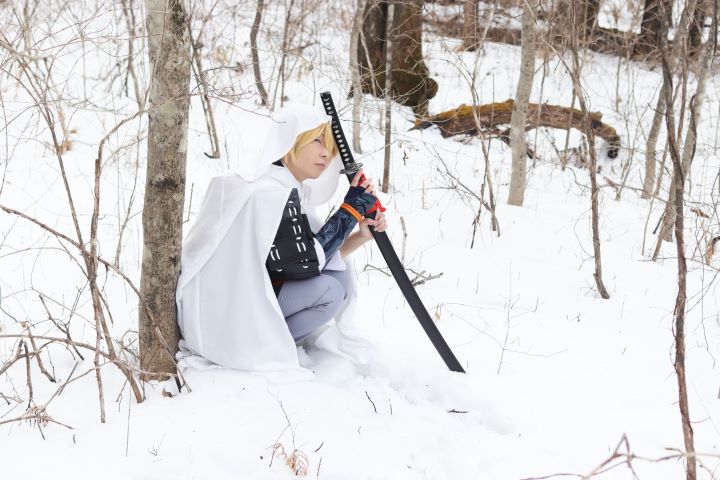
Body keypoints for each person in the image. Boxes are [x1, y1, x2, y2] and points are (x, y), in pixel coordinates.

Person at [175, 104, 387, 374]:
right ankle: (267, 346)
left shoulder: (285, 188)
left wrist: (360, 236)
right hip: (221, 321)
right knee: (330, 290)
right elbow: (302, 264)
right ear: (289, 141)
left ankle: (271, 339)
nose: (326, 153)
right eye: (317, 140)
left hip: (239, 306)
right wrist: (349, 211)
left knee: (339, 279)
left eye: (330, 146)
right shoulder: (268, 194)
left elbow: (306, 256)